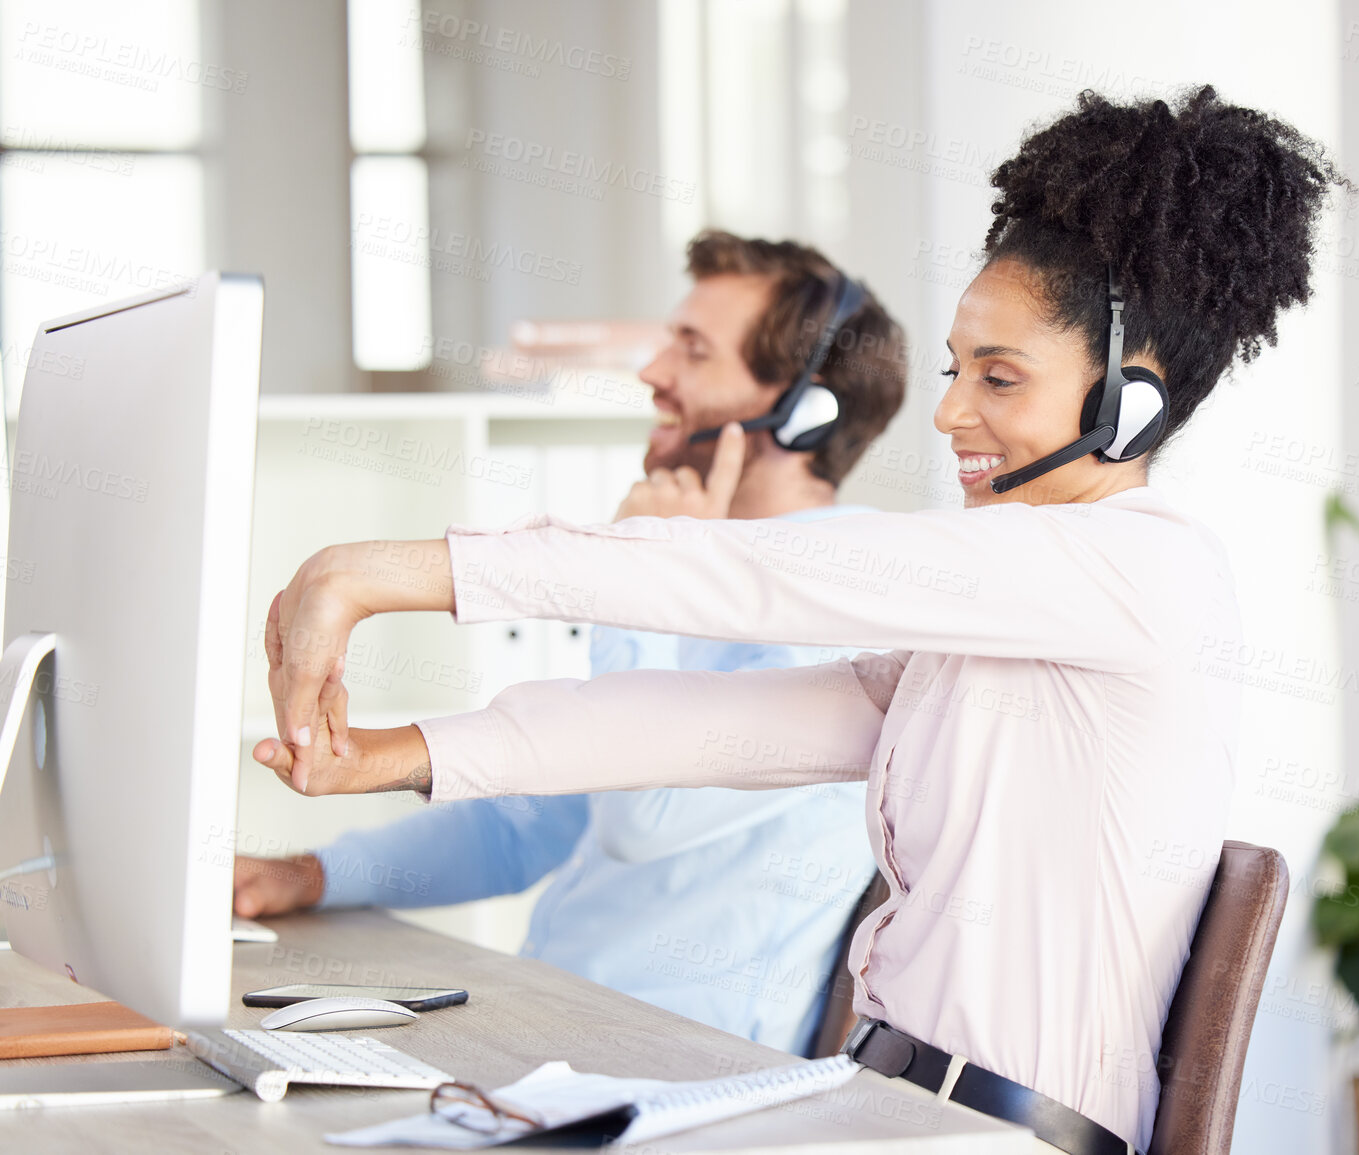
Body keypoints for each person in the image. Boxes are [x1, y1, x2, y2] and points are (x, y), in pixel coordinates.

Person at [253, 87, 1344, 1154]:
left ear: (1131, 402)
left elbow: (764, 577)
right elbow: (712, 727)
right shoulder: (996, 628)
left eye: (1000, 379)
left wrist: (377, 571)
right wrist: (398, 755)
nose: (954, 411)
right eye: (961, 370)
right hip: (887, 1104)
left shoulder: (1140, 565)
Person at [233, 231, 907, 1056]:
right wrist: (311, 876)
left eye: (692, 351)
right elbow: (531, 825)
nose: (654, 373)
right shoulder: (718, 561)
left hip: (683, 1075)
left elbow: (642, 819)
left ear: (803, 410)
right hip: (557, 1028)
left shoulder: (841, 592)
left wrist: (640, 572)